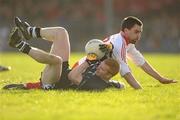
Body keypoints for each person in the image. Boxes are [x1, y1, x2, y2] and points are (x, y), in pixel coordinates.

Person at [3, 17, 124, 91]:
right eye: (100, 65)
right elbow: (108, 52)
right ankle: (30, 31)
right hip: (63, 73)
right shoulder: (104, 68)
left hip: (54, 83)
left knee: (57, 60)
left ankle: (18, 44)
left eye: (102, 69)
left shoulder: (97, 84)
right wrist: (109, 46)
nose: (98, 67)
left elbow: (72, 76)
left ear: (108, 75)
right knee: (62, 32)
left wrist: (88, 61)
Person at [74, 16, 177, 89]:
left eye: (140, 32)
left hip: (88, 70)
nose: (139, 36)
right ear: (126, 30)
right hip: (81, 73)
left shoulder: (127, 42)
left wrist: (161, 79)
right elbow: (126, 73)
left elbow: (141, 62)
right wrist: (140, 90)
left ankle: (108, 84)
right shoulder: (120, 44)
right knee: (114, 86)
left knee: (119, 86)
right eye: (136, 32)